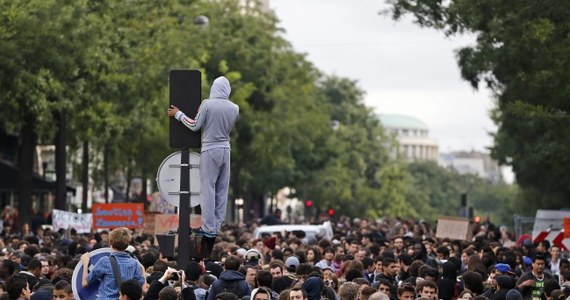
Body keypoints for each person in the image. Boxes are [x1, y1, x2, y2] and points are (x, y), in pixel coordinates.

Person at [168, 76, 239, 238]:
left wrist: (178, 114)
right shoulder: (235, 107)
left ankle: (208, 227)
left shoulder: (207, 104)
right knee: (222, 189)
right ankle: (216, 226)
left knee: (208, 189)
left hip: (209, 149)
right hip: (226, 149)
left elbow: (194, 125)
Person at [81, 227, 145, 299]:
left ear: (110, 242)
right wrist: (143, 269)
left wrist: (85, 263)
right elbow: (141, 286)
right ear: (127, 244)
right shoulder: (134, 263)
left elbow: (85, 283)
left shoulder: (105, 261)